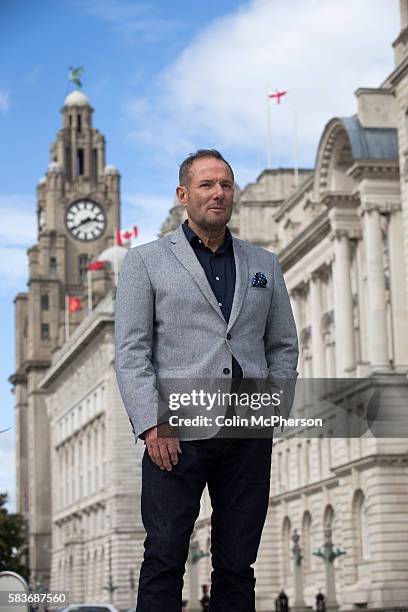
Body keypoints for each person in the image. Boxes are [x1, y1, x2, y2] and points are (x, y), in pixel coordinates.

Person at [115, 149, 298, 612]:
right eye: (206, 185)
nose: (218, 193)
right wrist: (152, 422)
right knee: (164, 557)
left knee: (238, 564)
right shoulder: (145, 261)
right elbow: (132, 351)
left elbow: (283, 346)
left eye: (226, 185)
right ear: (183, 195)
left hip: (246, 433)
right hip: (175, 435)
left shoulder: (264, 263)